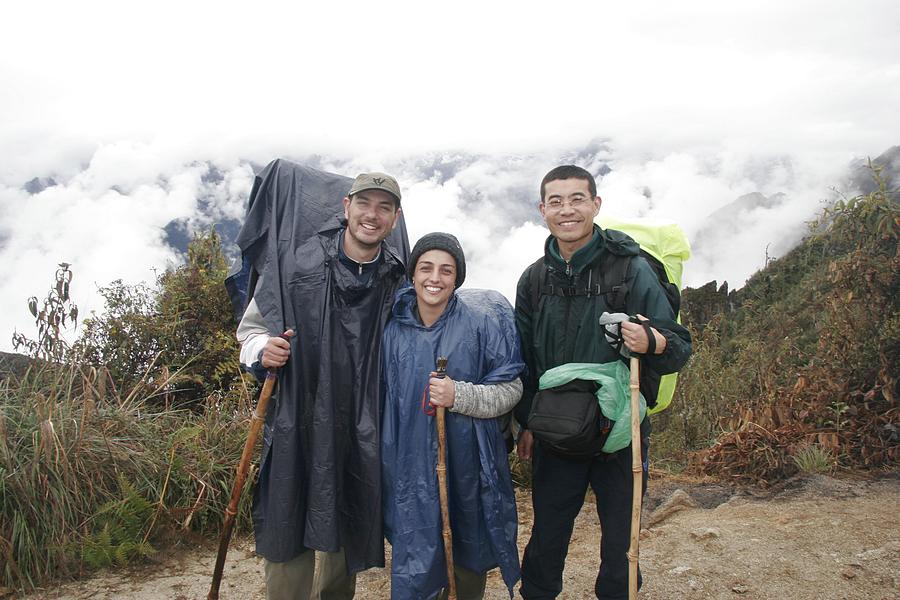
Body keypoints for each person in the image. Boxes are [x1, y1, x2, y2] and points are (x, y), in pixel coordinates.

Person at [513, 165, 692, 600]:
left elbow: (678, 346)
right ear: (542, 210)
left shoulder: (630, 269)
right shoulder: (535, 280)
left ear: (596, 204)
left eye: (577, 199)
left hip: (622, 432)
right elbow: (525, 361)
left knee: (621, 543)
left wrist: (651, 339)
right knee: (548, 536)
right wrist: (528, 423)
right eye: (555, 201)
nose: (567, 209)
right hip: (556, 432)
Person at [237, 171, 407, 600]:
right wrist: (263, 350)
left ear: (395, 217)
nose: (372, 215)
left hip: (361, 420)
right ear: (346, 207)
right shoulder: (296, 263)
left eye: (383, 207)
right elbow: (251, 330)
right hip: (300, 409)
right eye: (364, 204)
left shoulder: (397, 281)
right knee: (289, 509)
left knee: (345, 511)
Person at [381, 232, 524, 600]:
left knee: (469, 540)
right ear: (412, 274)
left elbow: (511, 390)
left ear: (457, 278)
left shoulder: (480, 324)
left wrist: (459, 395)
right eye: (426, 268)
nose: (435, 278)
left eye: (447, 270)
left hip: (468, 458)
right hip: (408, 458)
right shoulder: (392, 328)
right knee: (415, 544)